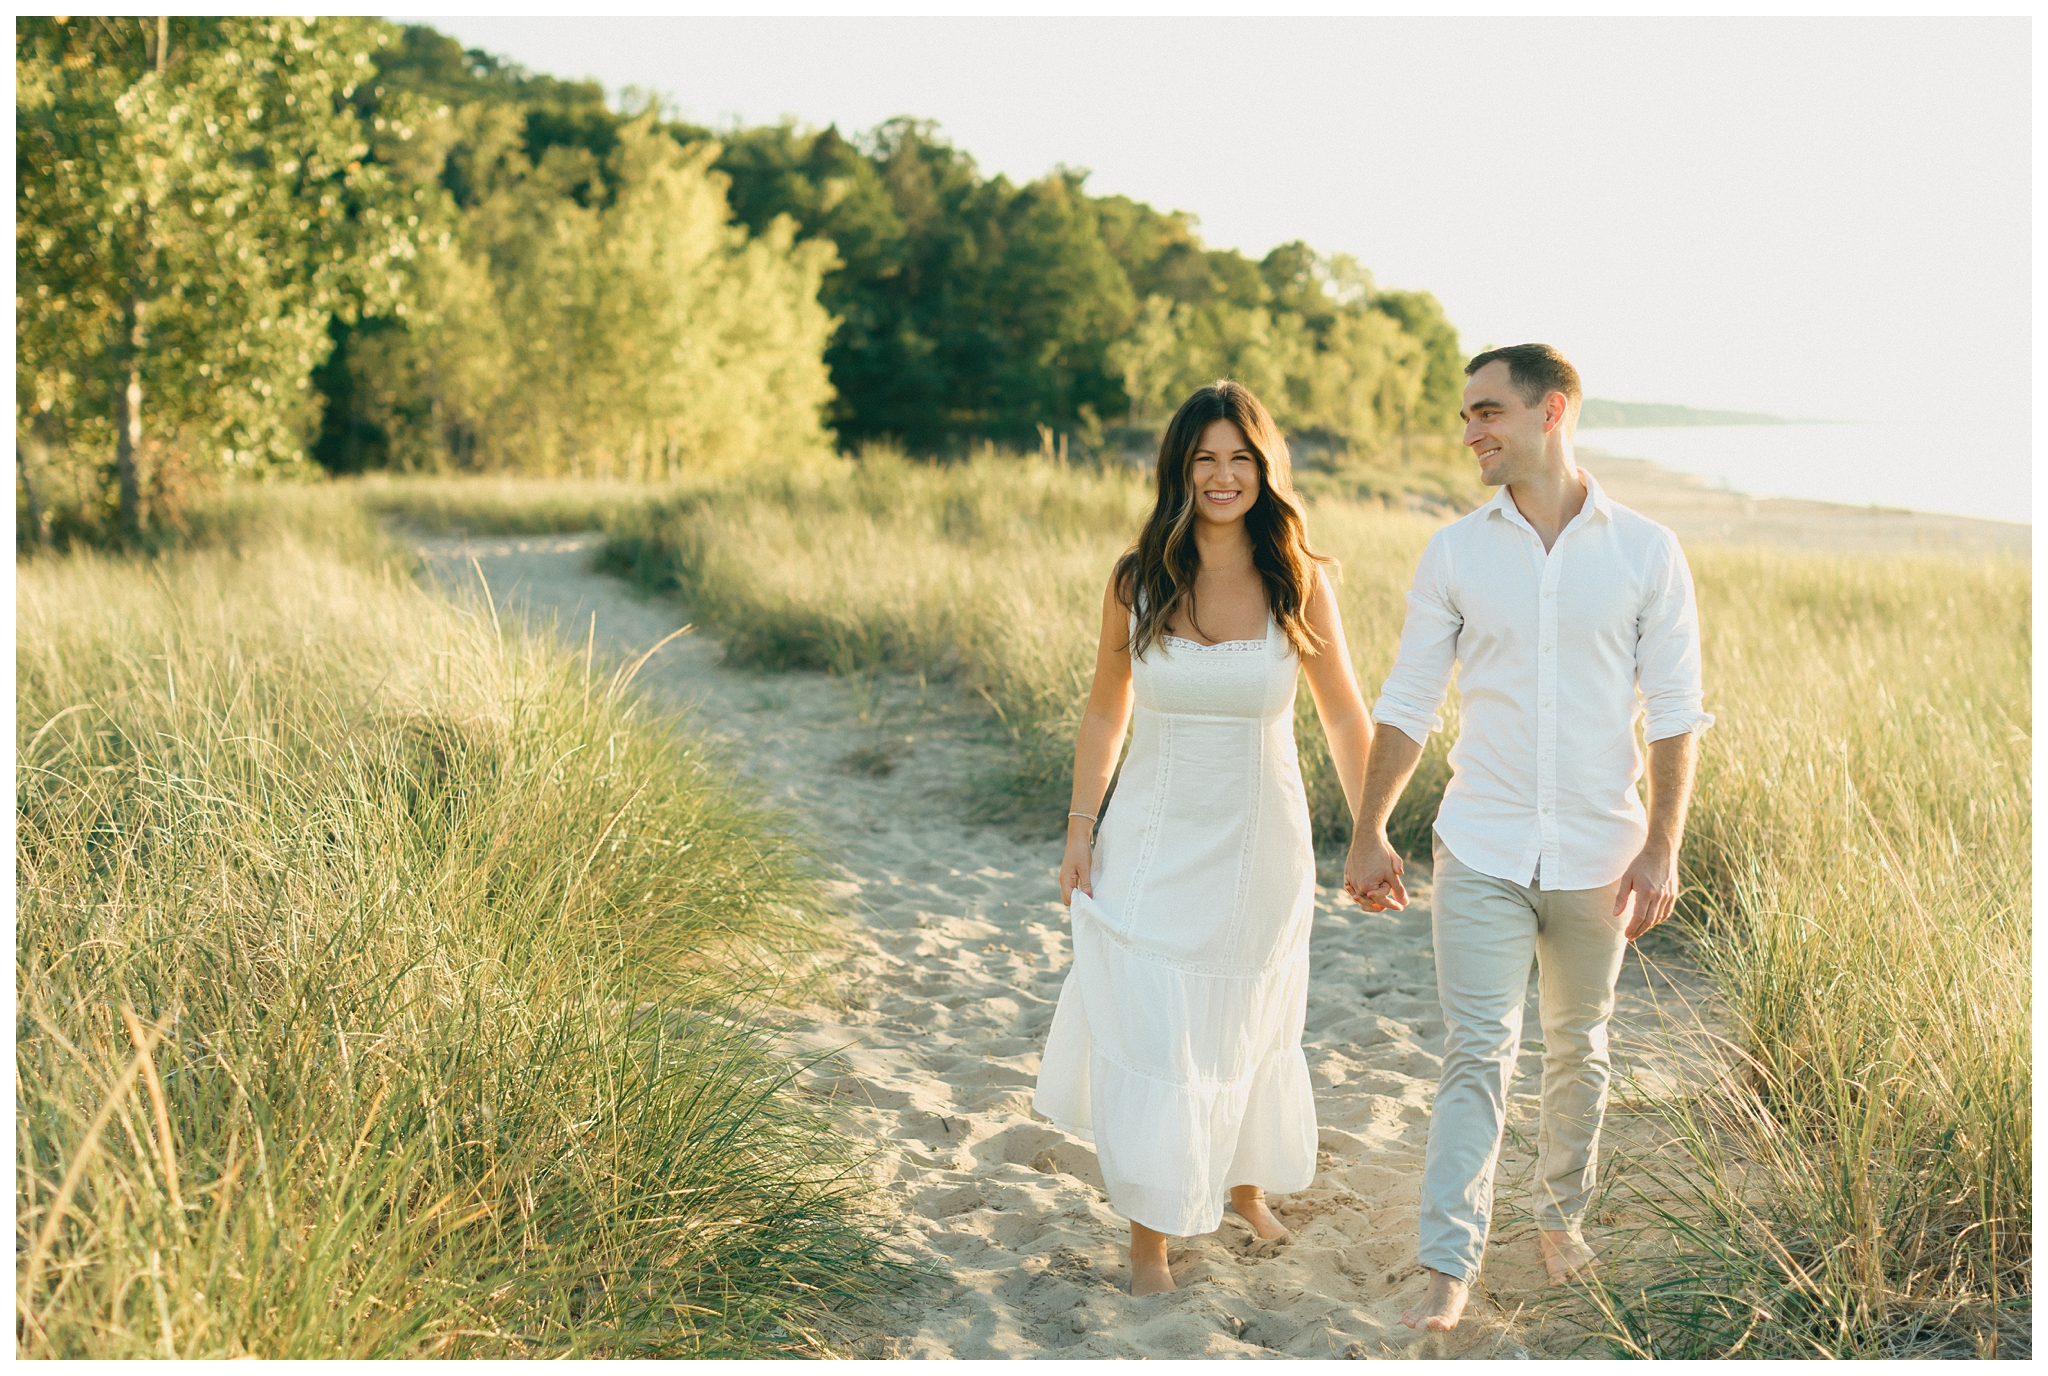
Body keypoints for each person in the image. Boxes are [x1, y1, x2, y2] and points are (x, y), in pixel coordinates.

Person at [1343, 344, 1712, 1332]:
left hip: (1602, 849)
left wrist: (1661, 846)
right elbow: (1409, 697)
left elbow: (1676, 710)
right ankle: (1446, 1263)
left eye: (1484, 412)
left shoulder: (1645, 550)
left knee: (1577, 1047)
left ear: (1550, 411)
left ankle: (1559, 1221)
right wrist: (1369, 825)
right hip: (1482, 843)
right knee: (1477, 1051)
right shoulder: (1455, 550)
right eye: (1465, 415)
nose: (1469, 432)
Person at [1032, 380, 1377, 1297]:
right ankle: (1150, 1241)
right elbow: (1107, 713)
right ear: (1178, 470)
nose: (1224, 477)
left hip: (1261, 845)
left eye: (1241, 459)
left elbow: (1346, 718)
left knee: (1252, 1015)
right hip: (1148, 836)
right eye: (1205, 459)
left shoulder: (1301, 579)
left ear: (1266, 469)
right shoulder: (1136, 578)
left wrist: (1372, 830)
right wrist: (1080, 831)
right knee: (1162, 1023)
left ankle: (1246, 1181)